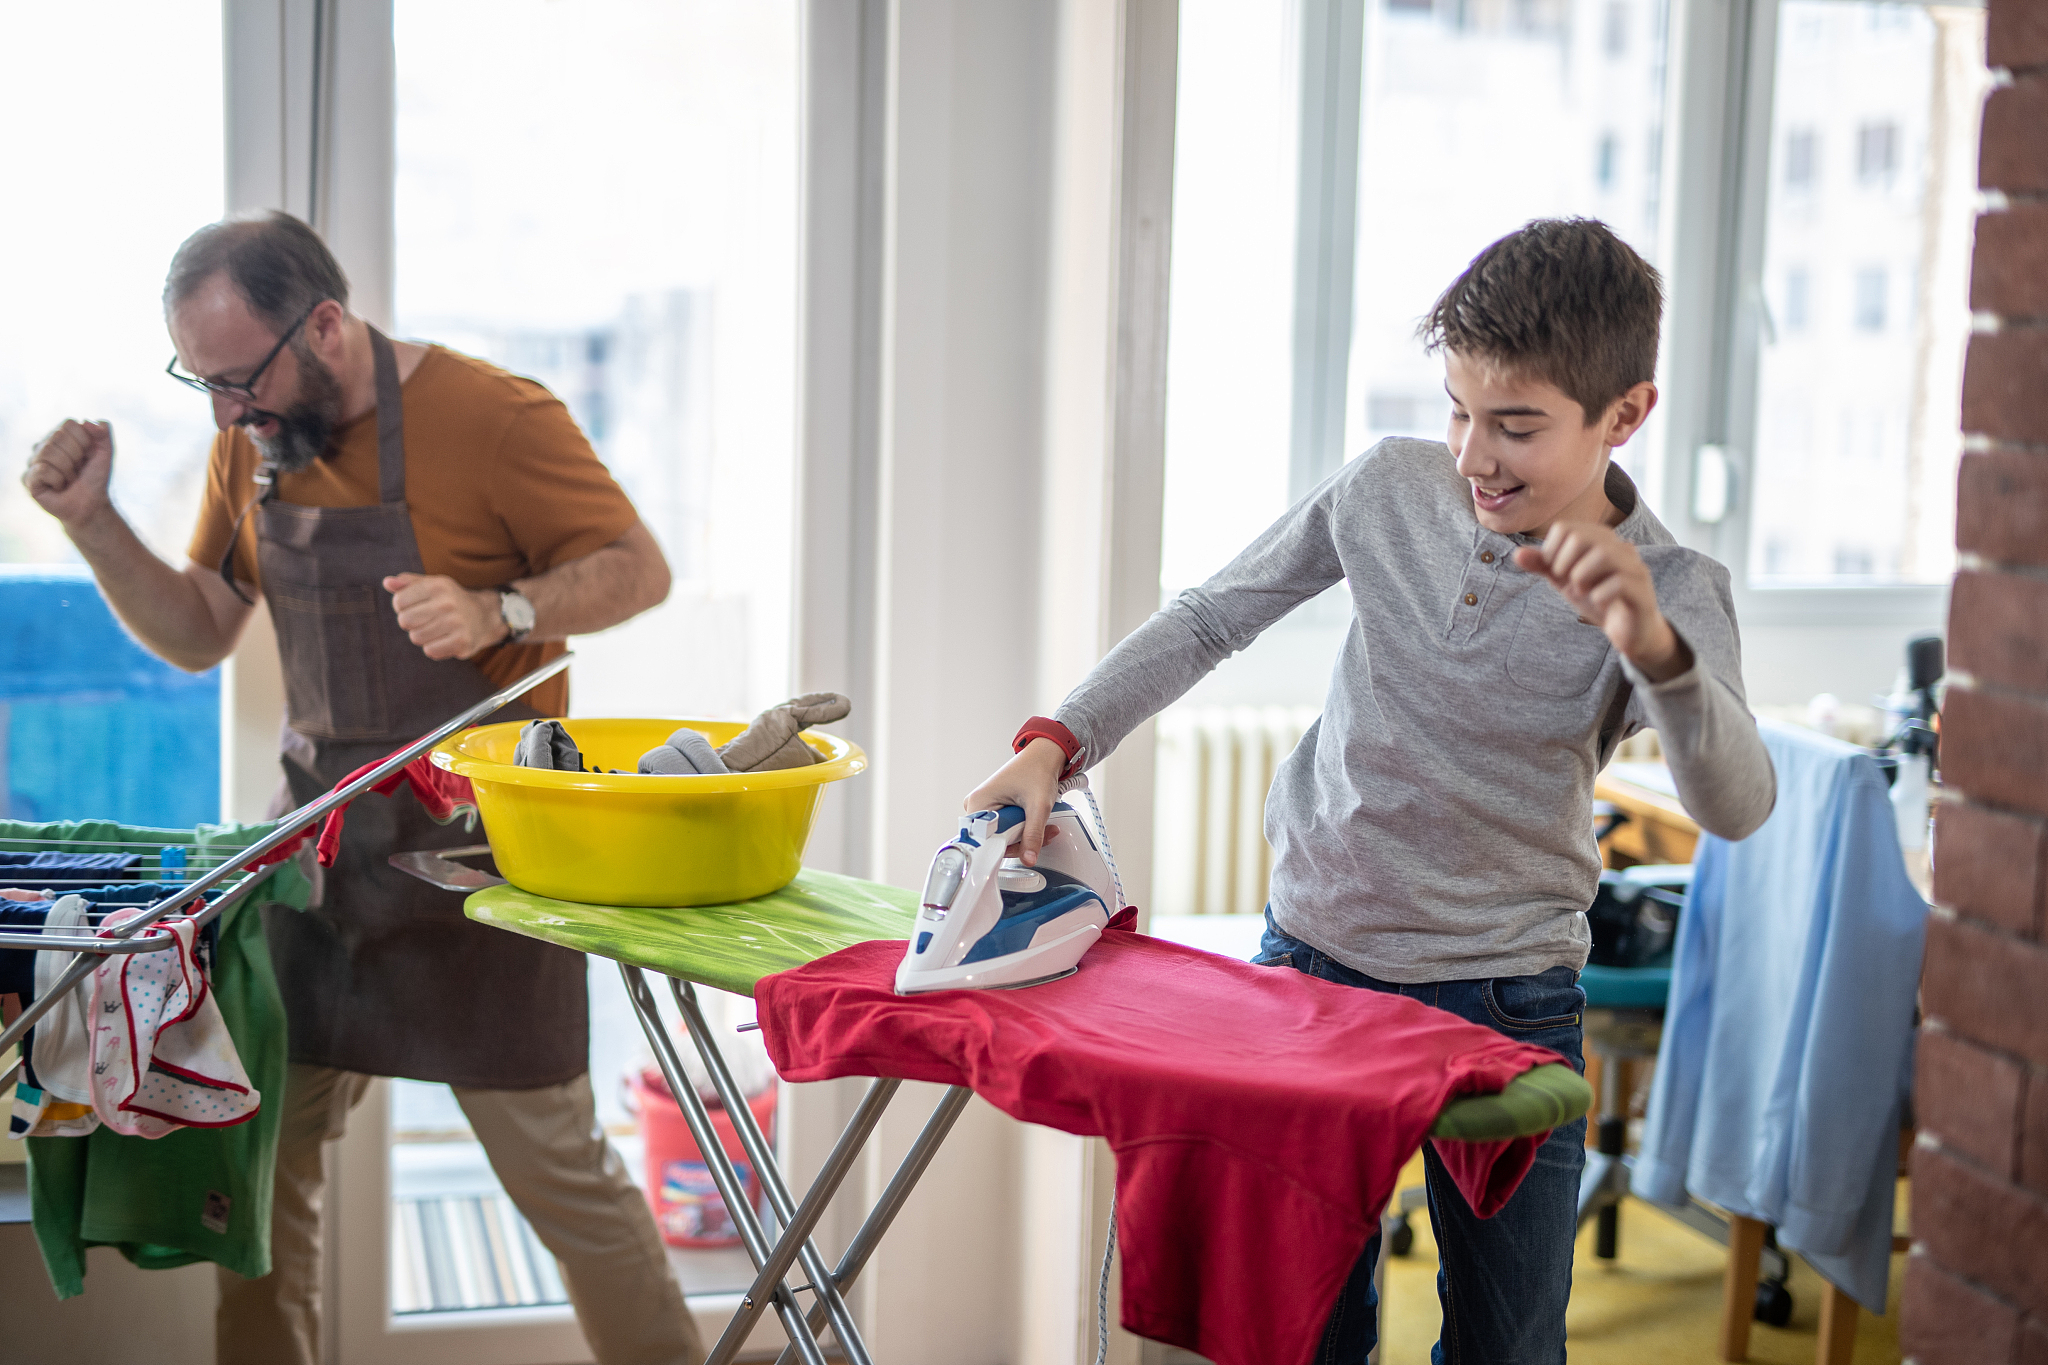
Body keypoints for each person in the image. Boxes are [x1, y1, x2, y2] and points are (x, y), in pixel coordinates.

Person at [968, 218, 1776, 1363]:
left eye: (1515, 426)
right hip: (1310, 959)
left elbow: (1738, 803)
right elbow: (1210, 618)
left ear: (1623, 415)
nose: (1472, 456)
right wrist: (1058, 738)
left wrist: (1654, 651)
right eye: (1456, 410)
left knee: (1507, 1349)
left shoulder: (1671, 589)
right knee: (1302, 1334)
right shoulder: (1390, 486)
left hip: (1505, 994)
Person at [22, 211, 701, 1365]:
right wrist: (92, 525)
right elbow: (197, 630)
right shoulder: (254, 441)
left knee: (562, 1179)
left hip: (484, 874)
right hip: (319, 875)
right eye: (203, 383)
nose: (226, 415)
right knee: (260, 1178)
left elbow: (641, 570)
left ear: (325, 325)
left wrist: (503, 610)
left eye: (240, 380)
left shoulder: (496, 418)